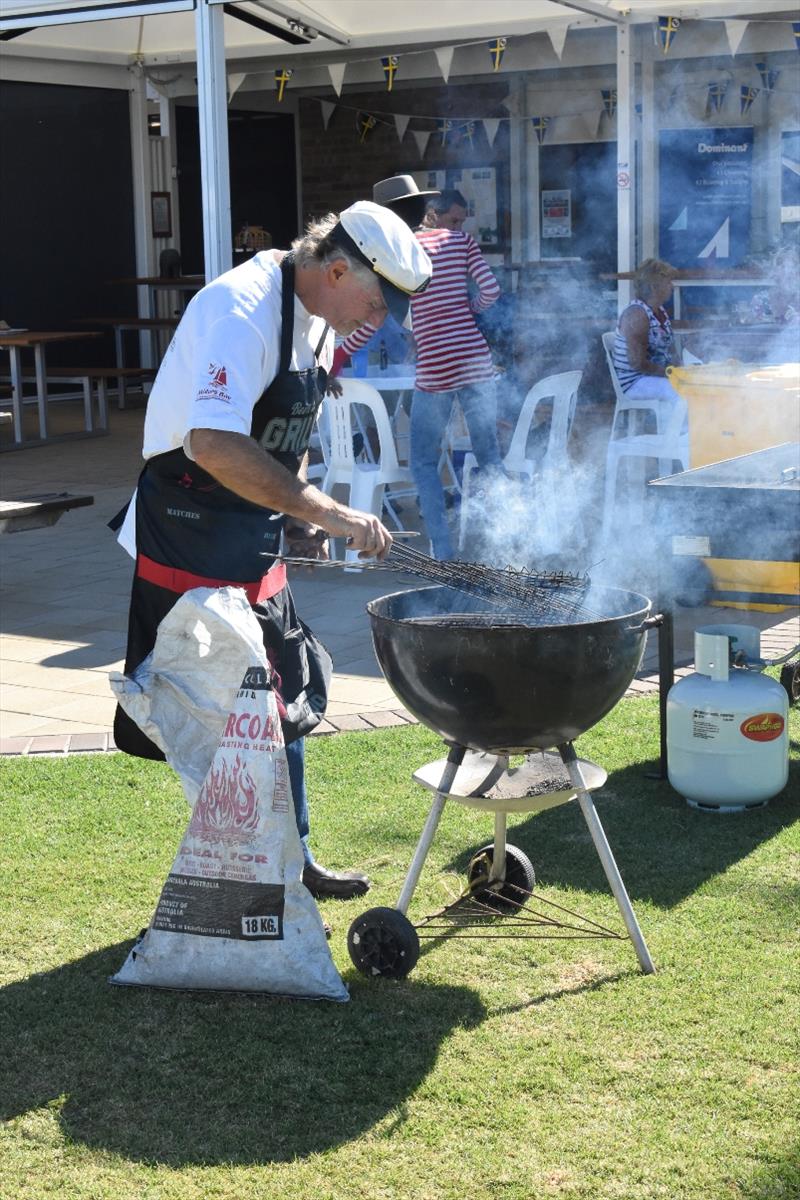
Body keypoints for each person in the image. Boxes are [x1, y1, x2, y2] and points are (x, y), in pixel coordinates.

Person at [113, 201, 432, 901]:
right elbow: (215, 443)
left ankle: (296, 860)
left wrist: (300, 514)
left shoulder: (320, 320)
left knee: (282, 695)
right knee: (224, 714)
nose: (376, 321)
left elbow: (286, 432)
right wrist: (330, 510)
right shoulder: (240, 309)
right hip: (187, 526)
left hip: (253, 531)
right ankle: (240, 877)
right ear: (339, 268)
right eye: (376, 302)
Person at [612, 258, 681, 407]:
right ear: (654, 287)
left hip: (655, 376)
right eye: (668, 282)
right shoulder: (638, 314)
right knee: (678, 391)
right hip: (635, 381)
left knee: (694, 387)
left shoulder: (660, 310)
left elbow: (670, 349)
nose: (672, 286)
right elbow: (638, 363)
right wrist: (671, 374)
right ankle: (673, 430)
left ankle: (685, 429)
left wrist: (682, 370)